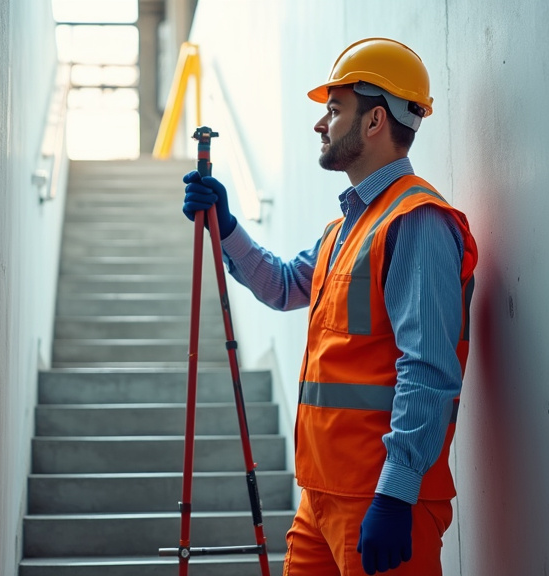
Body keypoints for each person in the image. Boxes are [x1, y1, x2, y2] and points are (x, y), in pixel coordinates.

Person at [180, 38, 478, 575]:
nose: (321, 123)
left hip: (382, 498)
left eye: (334, 109)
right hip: (321, 494)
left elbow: (429, 370)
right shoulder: (345, 228)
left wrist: (395, 493)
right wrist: (225, 226)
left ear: (374, 121)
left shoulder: (417, 222)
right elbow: (282, 285)